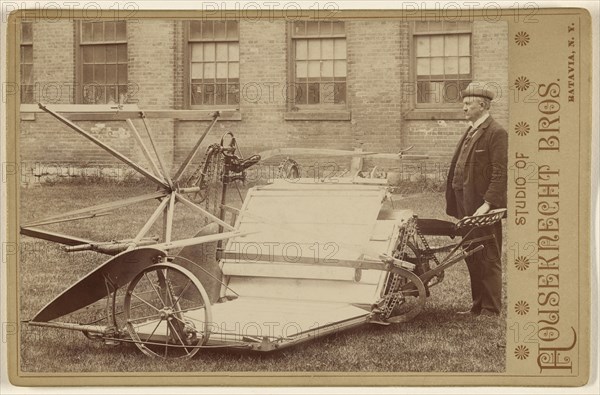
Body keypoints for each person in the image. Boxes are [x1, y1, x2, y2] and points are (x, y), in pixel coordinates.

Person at [445, 82, 508, 317]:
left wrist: (488, 205)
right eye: (463, 104)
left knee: (489, 254)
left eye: (468, 104)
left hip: (482, 206)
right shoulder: (471, 129)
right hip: (464, 202)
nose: (463, 108)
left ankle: (491, 308)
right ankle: (478, 305)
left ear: (482, 105)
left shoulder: (497, 132)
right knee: (472, 253)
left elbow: (501, 173)